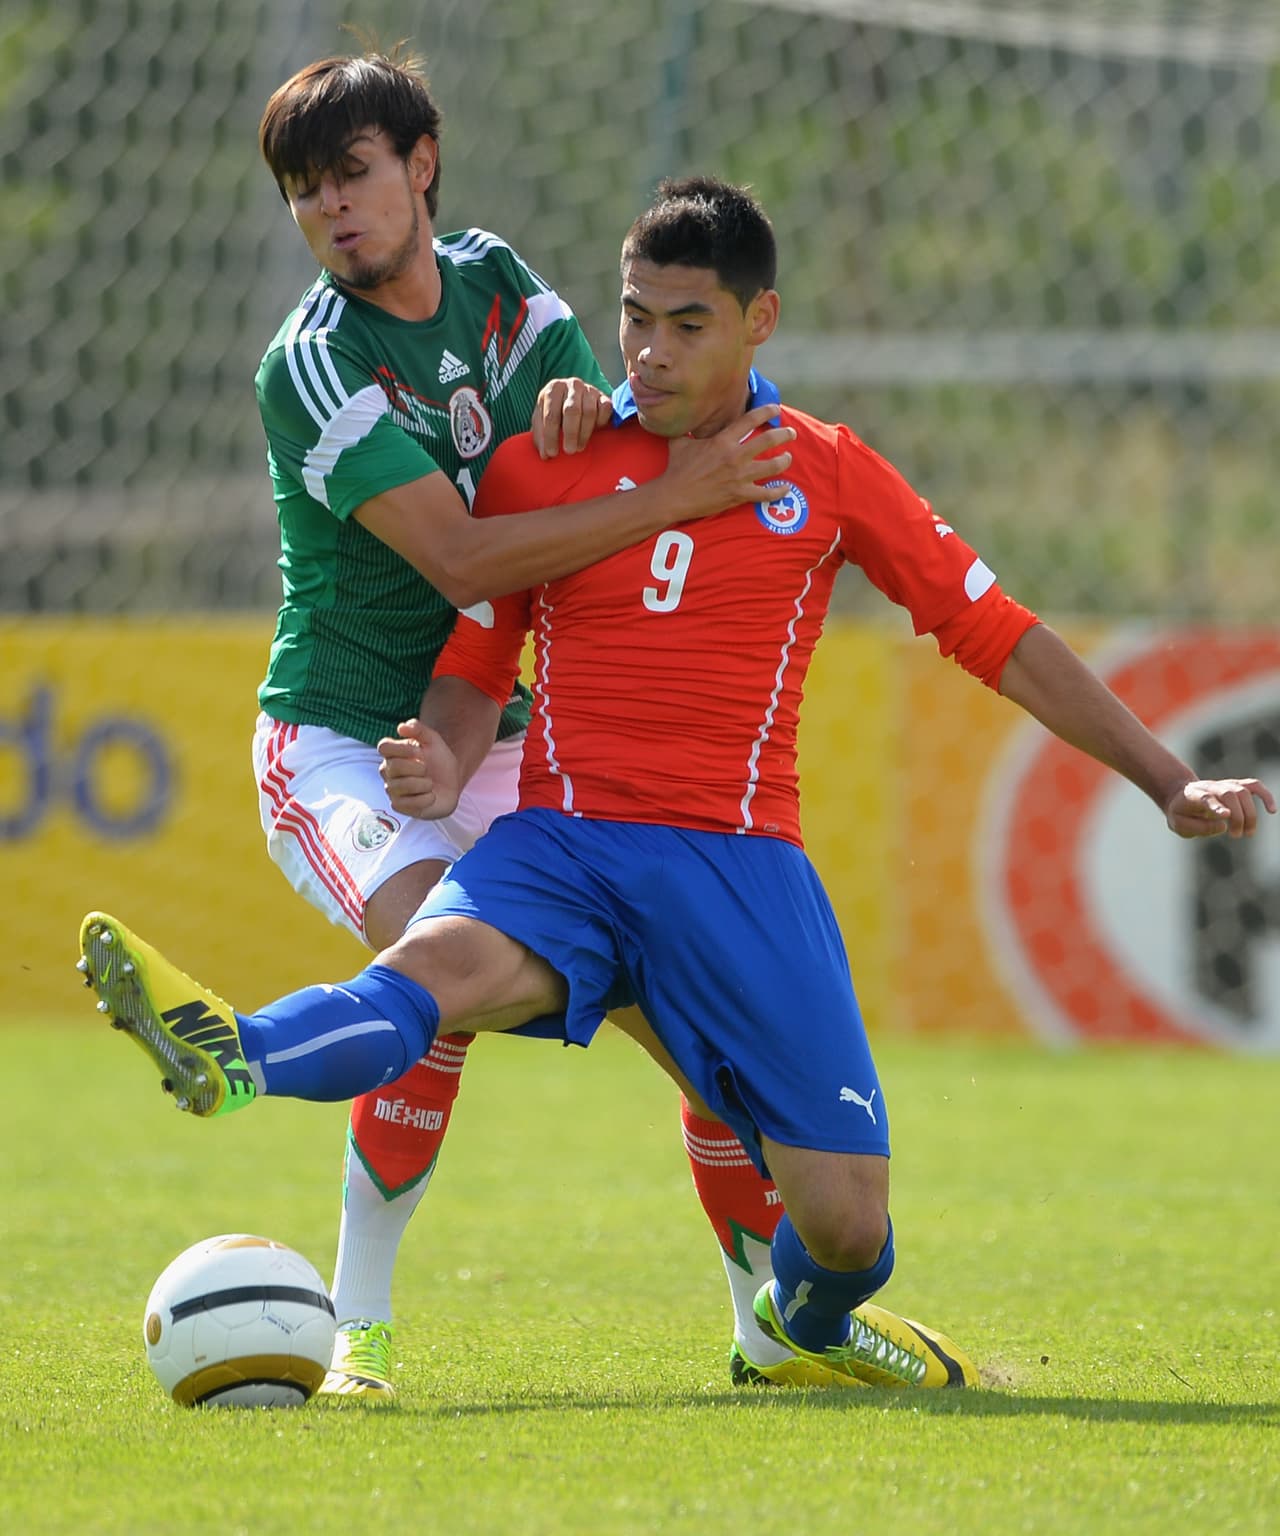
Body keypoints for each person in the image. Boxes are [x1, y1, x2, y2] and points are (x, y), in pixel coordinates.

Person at [78, 176, 1274, 1393]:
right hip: (562, 847)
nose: (647, 350)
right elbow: (477, 663)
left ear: (759, 321)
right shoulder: (544, 463)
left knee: (847, 1231)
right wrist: (442, 753)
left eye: (685, 324)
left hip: (737, 869)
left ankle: (795, 1325)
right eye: (633, 316)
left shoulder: (826, 471)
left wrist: (1165, 781)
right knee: (424, 981)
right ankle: (234, 1052)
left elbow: (996, 635)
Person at [241, 47, 809, 1401]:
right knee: (434, 964)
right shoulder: (309, 364)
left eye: (353, 174)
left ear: (421, 165)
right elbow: (466, 560)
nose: (331, 208)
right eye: (305, 190)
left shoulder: (502, 287)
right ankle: (358, 1328)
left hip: (504, 739)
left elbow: (615, 439)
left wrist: (593, 414)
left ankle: (771, 1331)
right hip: (344, 744)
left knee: (699, 1028)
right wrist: (672, 494)